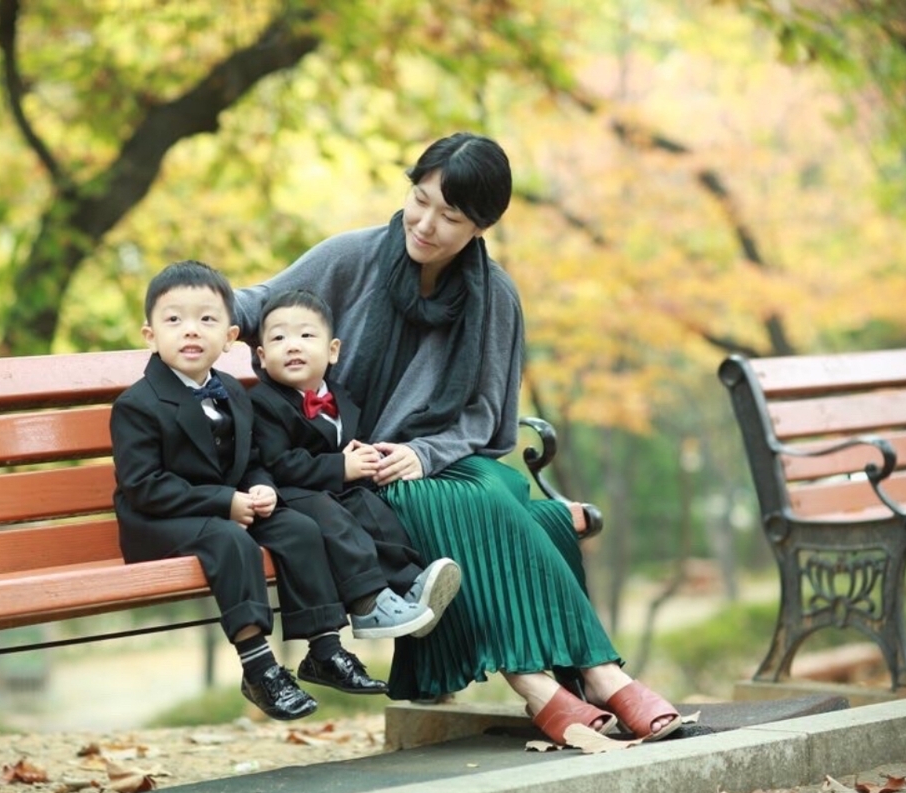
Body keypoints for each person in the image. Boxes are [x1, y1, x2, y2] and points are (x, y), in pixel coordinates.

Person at [234, 133, 683, 745]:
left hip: (449, 461)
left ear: (482, 224)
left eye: (451, 216)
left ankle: (576, 682)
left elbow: (486, 416)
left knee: (481, 496)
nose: (425, 224)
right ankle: (573, 681)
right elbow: (256, 302)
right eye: (420, 200)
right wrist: (194, 308)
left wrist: (425, 453)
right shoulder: (353, 257)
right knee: (514, 514)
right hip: (352, 473)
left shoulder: (494, 294)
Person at [110, 260, 415, 721]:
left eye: (207, 320)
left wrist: (260, 487)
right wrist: (224, 502)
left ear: (231, 337)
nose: (191, 331)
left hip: (227, 507)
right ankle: (259, 668)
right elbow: (143, 486)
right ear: (150, 335)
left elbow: (252, 458)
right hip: (160, 520)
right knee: (230, 541)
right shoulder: (137, 404)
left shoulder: (232, 391)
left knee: (297, 526)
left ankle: (325, 649)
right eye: (174, 320)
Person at [249, 288, 462, 641]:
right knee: (334, 519)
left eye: (306, 335)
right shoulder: (262, 403)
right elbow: (278, 462)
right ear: (262, 356)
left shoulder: (341, 397)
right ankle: (367, 603)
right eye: (278, 338)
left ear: (333, 351)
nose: (293, 345)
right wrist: (340, 467)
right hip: (285, 496)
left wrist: (365, 460)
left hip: (331, 490)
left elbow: (345, 447)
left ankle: (409, 583)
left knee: (373, 509)